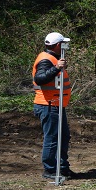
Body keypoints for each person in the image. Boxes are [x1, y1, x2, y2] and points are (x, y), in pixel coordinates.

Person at [33, 32, 74, 180]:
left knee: (63, 136)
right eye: (62, 44)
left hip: (55, 104)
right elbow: (40, 78)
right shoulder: (46, 60)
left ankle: (62, 168)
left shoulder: (52, 58)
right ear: (57, 45)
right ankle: (50, 170)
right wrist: (56, 68)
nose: (65, 46)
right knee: (52, 138)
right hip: (48, 105)